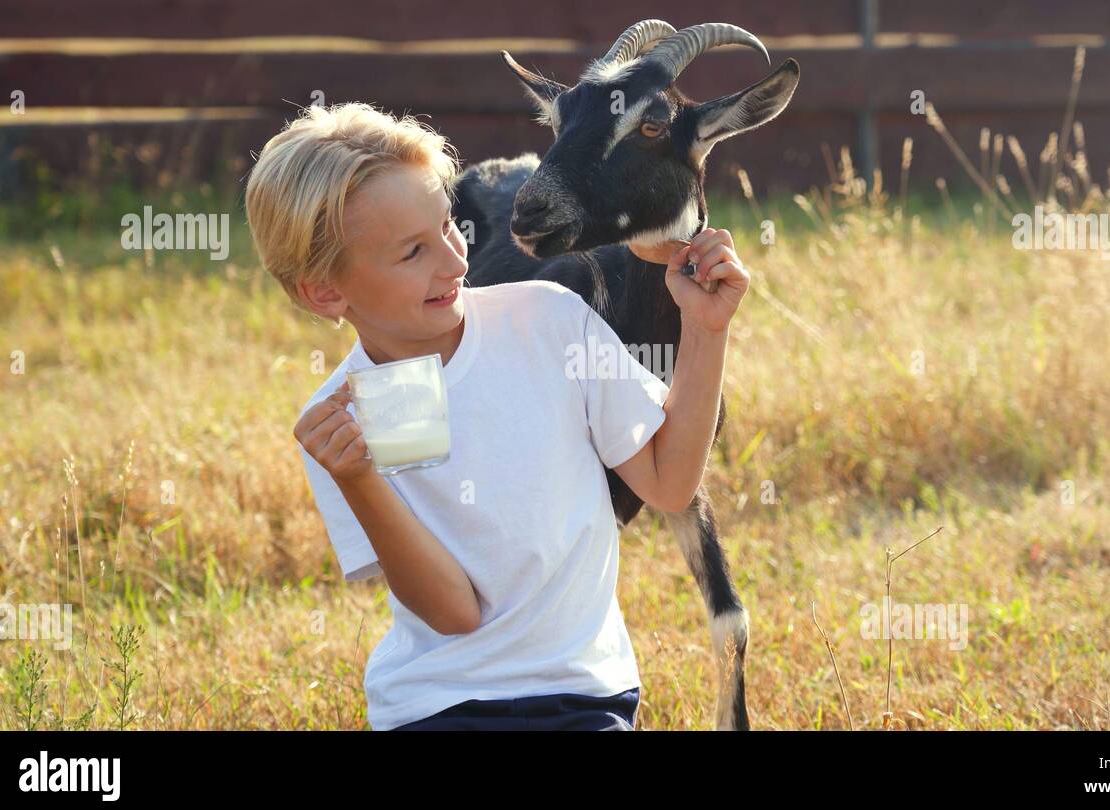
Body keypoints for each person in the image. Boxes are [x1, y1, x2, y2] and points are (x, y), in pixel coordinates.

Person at [244, 102, 750, 730]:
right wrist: (360, 479)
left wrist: (705, 332)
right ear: (326, 291)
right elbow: (456, 614)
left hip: (581, 700)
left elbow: (670, 484)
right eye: (413, 253)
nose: (457, 263)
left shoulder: (549, 322)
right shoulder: (347, 421)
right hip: (436, 707)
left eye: (449, 228)